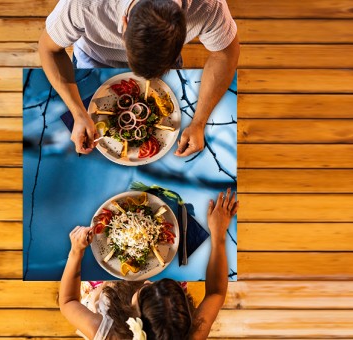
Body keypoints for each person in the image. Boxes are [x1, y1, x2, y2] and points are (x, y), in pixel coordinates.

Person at [39, 0, 240, 156]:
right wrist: (78, 113)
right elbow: (48, 49)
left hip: (167, 68)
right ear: (124, 23)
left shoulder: (208, 6)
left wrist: (199, 122)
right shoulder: (82, 5)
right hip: (94, 60)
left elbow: (225, 54)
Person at [59, 188, 239, 339]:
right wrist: (219, 234)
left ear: (134, 319)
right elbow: (216, 293)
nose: (148, 281)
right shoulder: (191, 334)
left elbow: (68, 302)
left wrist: (76, 252)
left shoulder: (109, 334)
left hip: (110, 294)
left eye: (146, 289)